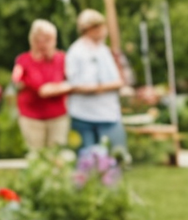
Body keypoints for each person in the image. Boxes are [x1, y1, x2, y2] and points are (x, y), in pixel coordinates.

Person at [65, 9, 128, 158]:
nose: (104, 30)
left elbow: (118, 80)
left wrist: (113, 85)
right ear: (89, 29)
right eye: (100, 26)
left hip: (109, 114)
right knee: (87, 161)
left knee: (115, 158)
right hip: (83, 115)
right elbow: (80, 85)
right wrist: (110, 86)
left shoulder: (104, 50)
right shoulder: (76, 51)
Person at [10, 18, 72, 152]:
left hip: (58, 116)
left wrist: (53, 89)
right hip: (31, 116)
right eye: (39, 39)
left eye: (48, 39)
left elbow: (74, 81)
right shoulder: (23, 60)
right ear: (32, 40)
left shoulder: (62, 58)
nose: (43, 44)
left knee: (56, 155)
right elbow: (15, 82)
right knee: (36, 155)